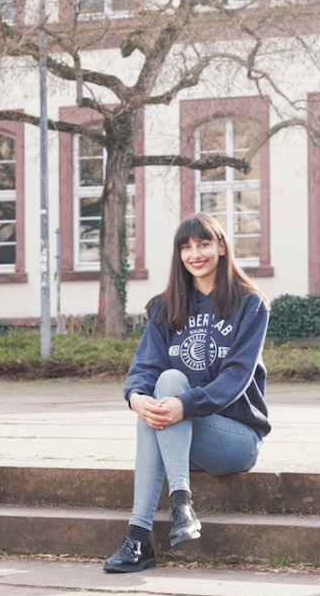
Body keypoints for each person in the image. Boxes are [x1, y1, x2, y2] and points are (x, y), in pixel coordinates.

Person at [103, 213, 271, 573]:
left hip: (234, 437)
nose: (195, 253)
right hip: (180, 438)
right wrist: (135, 398)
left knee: (167, 397)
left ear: (221, 247)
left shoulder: (250, 304)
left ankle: (142, 536)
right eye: (186, 247)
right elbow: (144, 367)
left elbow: (237, 376)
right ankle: (171, 514)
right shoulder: (165, 307)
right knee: (161, 391)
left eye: (204, 243)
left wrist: (186, 405)